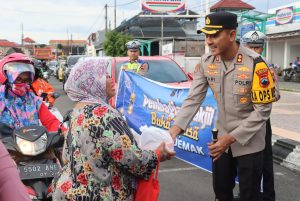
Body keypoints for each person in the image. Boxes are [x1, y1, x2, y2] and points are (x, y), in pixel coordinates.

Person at [169, 11, 276, 201]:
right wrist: (174, 130)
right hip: (221, 144)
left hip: (249, 143)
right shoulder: (206, 61)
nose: (209, 41)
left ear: (232, 35)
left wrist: (230, 139)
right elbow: (193, 98)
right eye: (206, 35)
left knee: (250, 196)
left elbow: (262, 112)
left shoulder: (256, 64)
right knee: (221, 193)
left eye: (215, 35)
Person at [52, 58, 174, 201]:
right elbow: (131, 160)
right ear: (92, 82)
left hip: (73, 193)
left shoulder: (78, 110)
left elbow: (67, 156)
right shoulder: (104, 115)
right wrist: (158, 154)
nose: (111, 80)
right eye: (106, 76)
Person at [242, 30, 279, 201]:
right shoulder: (239, 64)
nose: (255, 50)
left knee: (263, 158)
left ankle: (266, 195)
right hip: (241, 117)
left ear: (262, 49)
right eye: (251, 47)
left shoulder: (266, 67)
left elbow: (276, 95)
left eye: (258, 47)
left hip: (261, 119)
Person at [0, 53, 62, 132]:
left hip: (32, 142)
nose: (23, 84)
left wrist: (63, 133)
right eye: (18, 79)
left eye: (27, 80)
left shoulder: (34, 101)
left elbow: (51, 122)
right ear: (7, 78)